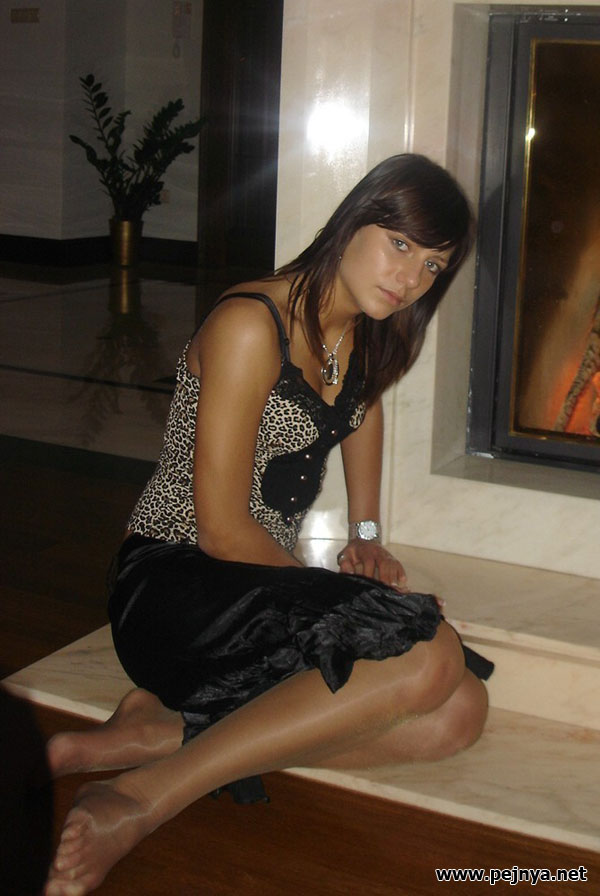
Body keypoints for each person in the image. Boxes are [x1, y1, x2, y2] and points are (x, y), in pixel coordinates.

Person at [44, 154, 489, 895]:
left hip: (249, 591)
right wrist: (347, 601)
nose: (411, 278)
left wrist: (367, 538)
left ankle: (159, 731)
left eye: (432, 265)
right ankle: (141, 800)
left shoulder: (365, 329)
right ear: (355, 219)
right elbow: (220, 531)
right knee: (430, 655)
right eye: (401, 244)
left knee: (459, 714)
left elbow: (360, 412)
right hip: (173, 582)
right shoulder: (251, 325)